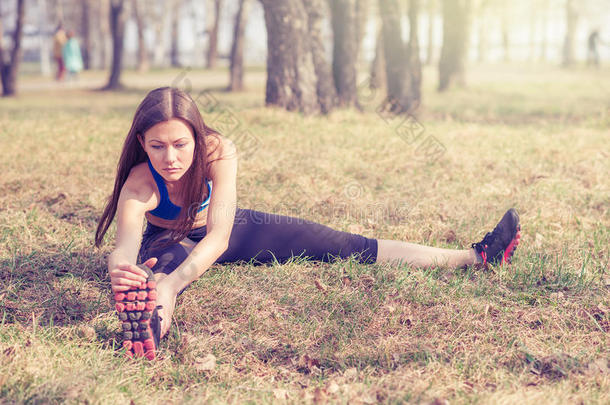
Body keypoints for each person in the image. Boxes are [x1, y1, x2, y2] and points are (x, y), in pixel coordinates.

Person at [95, 87, 521, 360]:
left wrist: (172, 282)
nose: (170, 158)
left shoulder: (219, 151)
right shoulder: (139, 183)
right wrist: (125, 269)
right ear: (141, 143)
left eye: (179, 144)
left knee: (346, 244)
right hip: (167, 240)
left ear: (197, 135)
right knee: (157, 275)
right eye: (157, 146)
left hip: (226, 229)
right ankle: (148, 331)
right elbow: (127, 244)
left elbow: (220, 236)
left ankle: (474, 256)